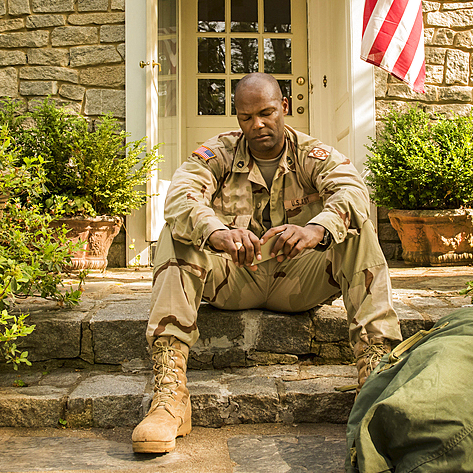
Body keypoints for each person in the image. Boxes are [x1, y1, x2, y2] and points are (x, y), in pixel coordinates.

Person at [131, 72, 402, 454]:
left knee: (358, 230)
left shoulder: (312, 154)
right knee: (175, 235)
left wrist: (316, 229)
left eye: (266, 113)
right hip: (235, 278)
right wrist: (215, 232)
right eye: (246, 117)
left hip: (299, 281)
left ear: (284, 107)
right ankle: (170, 399)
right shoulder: (219, 153)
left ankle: (375, 378)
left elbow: (353, 192)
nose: (257, 125)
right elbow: (179, 197)